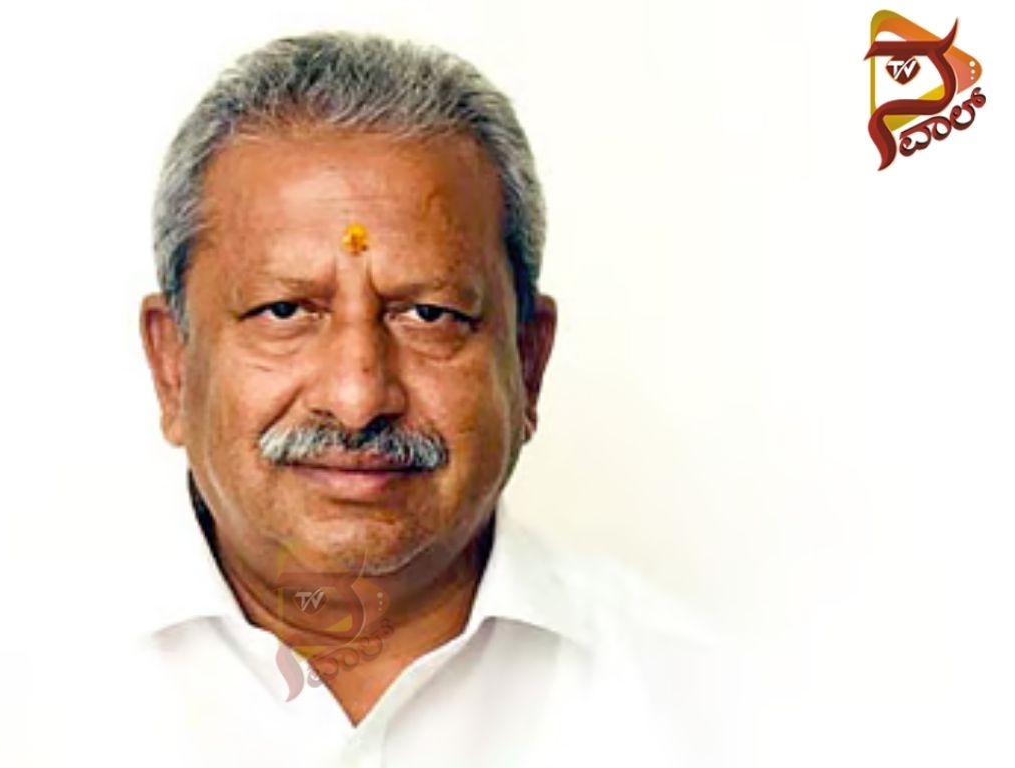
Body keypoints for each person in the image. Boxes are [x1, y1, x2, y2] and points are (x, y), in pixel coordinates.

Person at [132, 31, 733, 767]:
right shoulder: (17, 697)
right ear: (173, 365)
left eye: (429, 315)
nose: (358, 399)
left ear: (528, 360)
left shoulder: (715, 708)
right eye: (285, 312)